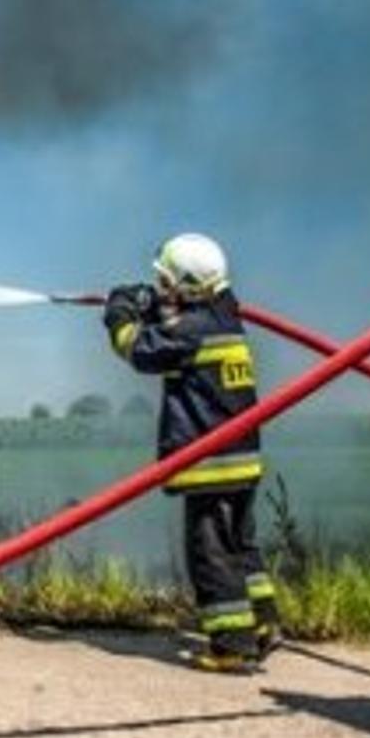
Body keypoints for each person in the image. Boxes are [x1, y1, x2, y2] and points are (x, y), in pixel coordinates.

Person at [103, 233, 279, 673]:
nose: (160, 288)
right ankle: (263, 623)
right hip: (242, 459)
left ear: (186, 287)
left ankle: (232, 642)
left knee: (211, 553)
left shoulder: (189, 333)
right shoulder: (225, 316)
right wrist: (159, 303)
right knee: (241, 544)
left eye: (165, 282)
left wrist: (120, 314)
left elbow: (139, 349)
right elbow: (184, 315)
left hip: (210, 465)